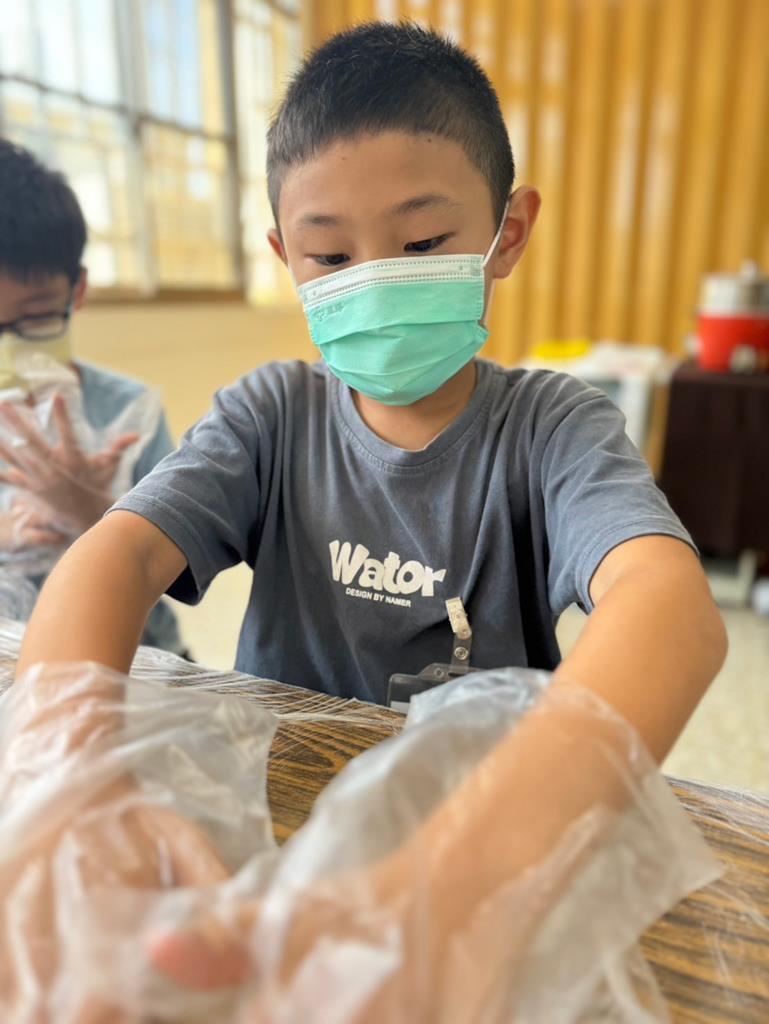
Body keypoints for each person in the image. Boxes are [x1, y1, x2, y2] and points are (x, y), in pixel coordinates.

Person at [11, 20, 726, 1013]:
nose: (376, 280)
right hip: (279, 810)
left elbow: (667, 607)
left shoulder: (552, 427)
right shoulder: (270, 415)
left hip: (489, 830)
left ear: (507, 232)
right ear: (284, 256)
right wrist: (67, 781)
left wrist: (446, 884)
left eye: (423, 244)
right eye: (330, 255)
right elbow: (118, 558)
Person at [0, 138, 183, 653]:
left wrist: (96, 517)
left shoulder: (129, 414)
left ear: (76, 291)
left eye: (35, 316)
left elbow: (173, 579)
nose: (9, 344)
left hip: (133, 658)